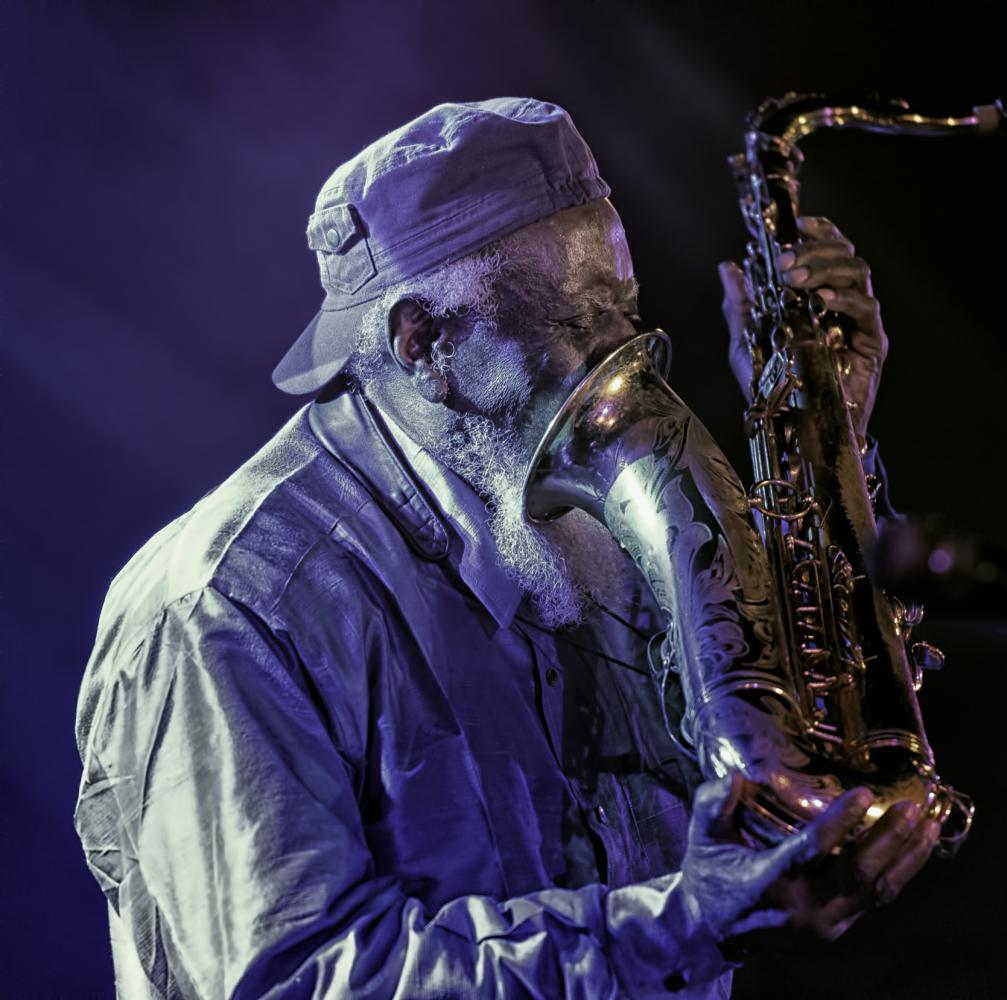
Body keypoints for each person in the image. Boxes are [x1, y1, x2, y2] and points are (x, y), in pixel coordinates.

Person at [74, 98, 938, 999]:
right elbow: (299, 981)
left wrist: (827, 438)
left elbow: (785, 771)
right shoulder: (227, 604)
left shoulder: (579, 518)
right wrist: (686, 925)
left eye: (625, 309)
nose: (626, 363)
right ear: (423, 343)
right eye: (574, 323)